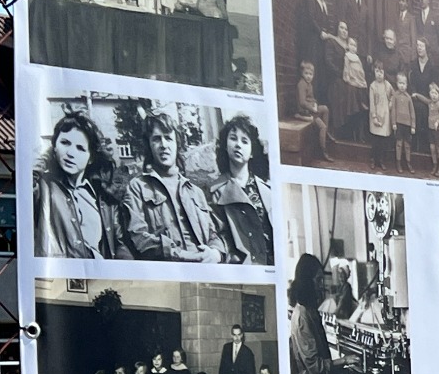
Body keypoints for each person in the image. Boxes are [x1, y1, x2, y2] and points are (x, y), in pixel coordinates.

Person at [124, 115, 225, 263]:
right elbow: (138, 238)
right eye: (157, 139)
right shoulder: (137, 187)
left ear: (177, 143)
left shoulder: (196, 192)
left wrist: (215, 253)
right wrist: (186, 256)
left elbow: (213, 234)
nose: (163, 145)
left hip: (205, 268)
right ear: (149, 145)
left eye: (168, 138)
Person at [34, 110, 112, 259]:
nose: (70, 153)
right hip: (59, 276)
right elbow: (25, 182)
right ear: (54, 146)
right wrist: (47, 155)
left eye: (80, 148)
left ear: (91, 158)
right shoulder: (42, 186)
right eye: (65, 143)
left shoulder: (99, 196)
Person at [207, 114, 273, 265]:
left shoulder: (267, 191)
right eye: (233, 138)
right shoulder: (215, 192)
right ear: (225, 144)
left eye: (244, 141)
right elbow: (218, 236)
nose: (238, 145)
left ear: (252, 152)